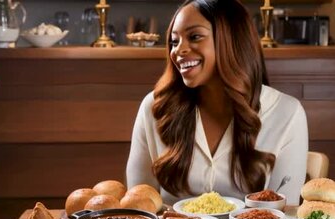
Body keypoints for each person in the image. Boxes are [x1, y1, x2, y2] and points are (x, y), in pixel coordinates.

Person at [126, 0, 308, 206]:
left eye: (194, 37)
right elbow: (139, 204)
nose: (178, 51)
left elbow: (284, 211)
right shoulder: (154, 107)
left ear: (232, 41)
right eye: (175, 41)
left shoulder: (287, 113)